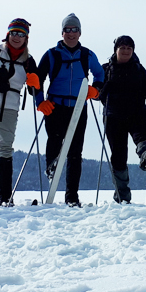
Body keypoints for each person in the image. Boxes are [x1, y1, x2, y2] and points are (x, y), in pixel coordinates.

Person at [35, 13, 104, 206]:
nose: (71, 33)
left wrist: (95, 91)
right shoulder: (52, 54)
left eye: (74, 30)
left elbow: (100, 74)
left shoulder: (87, 55)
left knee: (75, 153)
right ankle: (51, 169)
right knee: (55, 142)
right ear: (62, 32)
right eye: (67, 30)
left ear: (80, 33)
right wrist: (40, 102)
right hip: (55, 106)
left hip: (78, 107)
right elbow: (37, 79)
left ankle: (72, 197)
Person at [0, 18, 42, 205]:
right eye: (14, 33)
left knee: (5, 148)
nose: (17, 37)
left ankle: (4, 197)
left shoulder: (28, 60)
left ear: (26, 37)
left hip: (10, 106)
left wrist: (35, 83)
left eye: (21, 34)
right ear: (8, 34)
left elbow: (34, 88)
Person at [100, 35, 146, 203]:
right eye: (122, 47)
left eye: (128, 48)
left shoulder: (139, 70)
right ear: (116, 50)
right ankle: (122, 195)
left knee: (142, 140)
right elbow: (98, 96)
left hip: (136, 114)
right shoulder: (106, 69)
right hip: (113, 117)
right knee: (118, 156)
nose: (125, 51)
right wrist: (104, 88)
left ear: (133, 50)